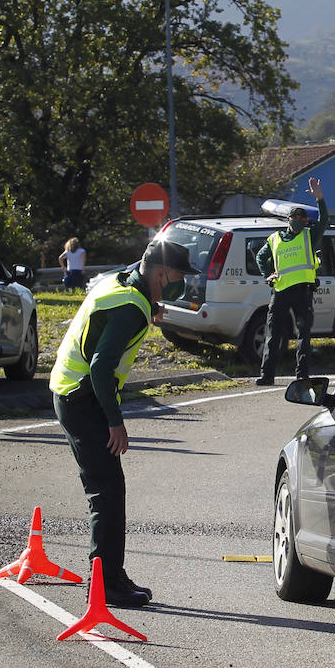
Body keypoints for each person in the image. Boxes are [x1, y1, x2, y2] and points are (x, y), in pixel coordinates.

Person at [50, 237, 198, 607]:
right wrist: (116, 423)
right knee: (107, 492)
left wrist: (152, 307)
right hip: (83, 396)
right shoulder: (131, 309)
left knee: (108, 489)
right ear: (162, 274)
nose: (183, 282)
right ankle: (106, 584)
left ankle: (110, 575)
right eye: (179, 275)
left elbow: (125, 298)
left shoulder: (122, 282)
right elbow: (101, 368)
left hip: (69, 389)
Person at [255, 177, 328, 385]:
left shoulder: (309, 236)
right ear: (288, 220)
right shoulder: (275, 238)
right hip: (280, 292)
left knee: (303, 336)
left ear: (305, 222)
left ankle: (302, 375)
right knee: (274, 335)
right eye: (294, 217)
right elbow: (261, 257)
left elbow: (323, 221)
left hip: (303, 292)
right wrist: (267, 273)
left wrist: (319, 199)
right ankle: (267, 376)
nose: (298, 220)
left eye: (302, 219)